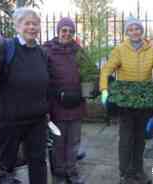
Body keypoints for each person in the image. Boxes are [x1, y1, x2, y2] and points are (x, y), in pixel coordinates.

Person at [0, 8, 49, 184]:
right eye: (27, 23)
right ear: (17, 26)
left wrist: (47, 110)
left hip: (37, 121)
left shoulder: (42, 53)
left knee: (38, 164)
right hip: (10, 121)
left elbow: (46, 84)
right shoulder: (6, 48)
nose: (32, 27)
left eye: (35, 23)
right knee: (4, 167)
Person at [99, 16, 153, 184]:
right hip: (125, 101)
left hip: (144, 100)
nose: (135, 32)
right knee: (126, 138)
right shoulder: (120, 50)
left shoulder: (151, 51)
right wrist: (104, 90)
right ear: (127, 32)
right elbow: (106, 70)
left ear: (142, 31)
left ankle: (138, 171)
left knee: (140, 137)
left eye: (137, 28)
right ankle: (125, 173)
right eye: (131, 29)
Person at [43, 17, 87, 184]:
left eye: (70, 31)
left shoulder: (78, 50)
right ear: (58, 31)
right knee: (59, 141)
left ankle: (72, 171)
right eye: (64, 30)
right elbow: (42, 77)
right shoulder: (47, 50)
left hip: (76, 103)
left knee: (74, 141)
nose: (67, 34)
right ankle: (60, 174)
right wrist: (54, 95)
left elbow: (89, 72)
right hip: (56, 104)